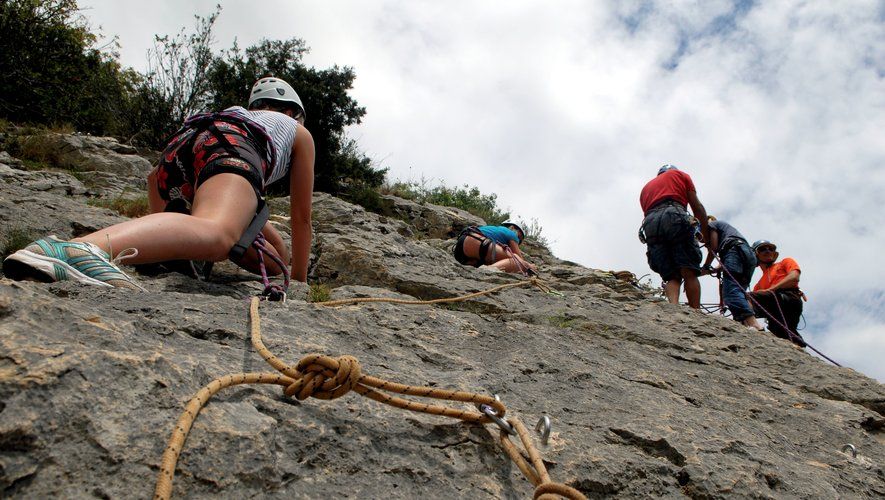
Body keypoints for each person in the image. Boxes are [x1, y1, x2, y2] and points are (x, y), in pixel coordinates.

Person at [4, 76, 315, 289]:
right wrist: (300, 283)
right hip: (232, 150)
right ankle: (79, 250)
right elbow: (301, 217)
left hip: (183, 155)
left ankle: (170, 251)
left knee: (274, 256)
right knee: (218, 234)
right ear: (291, 111)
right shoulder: (297, 130)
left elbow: (154, 178)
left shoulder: (235, 115)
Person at [639, 164, 709, 308]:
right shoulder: (680, 175)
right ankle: (695, 312)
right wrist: (705, 234)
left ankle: (674, 308)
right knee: (689, 270)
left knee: (670, 274)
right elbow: (697, 206)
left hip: (650, 223)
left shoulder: (646, 188)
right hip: (673, 213)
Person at [699, 216, 762, 329]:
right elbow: (725, 263)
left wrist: (706, 266)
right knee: (740, 291)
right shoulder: (728, 231)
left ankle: (753, 324)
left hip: (734, 251)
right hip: (747, 254)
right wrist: (713, 269)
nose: (702, 241)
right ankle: (746, 323)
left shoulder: (712, 225)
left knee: (730, 291)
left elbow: (713, 248)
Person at [747, 240, 806, 346]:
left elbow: (794, 277)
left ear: (775, 254)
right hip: (776, 307)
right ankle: (798, 346)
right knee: (783, 333)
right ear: (756, 255)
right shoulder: (759, 285)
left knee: (746, 297)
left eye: (771, 249)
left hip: (788, 298)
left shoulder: (785, 262)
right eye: (762, 249)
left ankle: (753, 327)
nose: (767, 251)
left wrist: (771, 289)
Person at [453, 221, 536, 275]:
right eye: (519, 238)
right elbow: (519, 261)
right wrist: (530, 266)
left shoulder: (493, 230)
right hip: (477, 242)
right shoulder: (511, 233)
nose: (518, 241)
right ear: (514, 228)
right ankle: (487, 271)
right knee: (517, 260)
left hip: (461, 248)